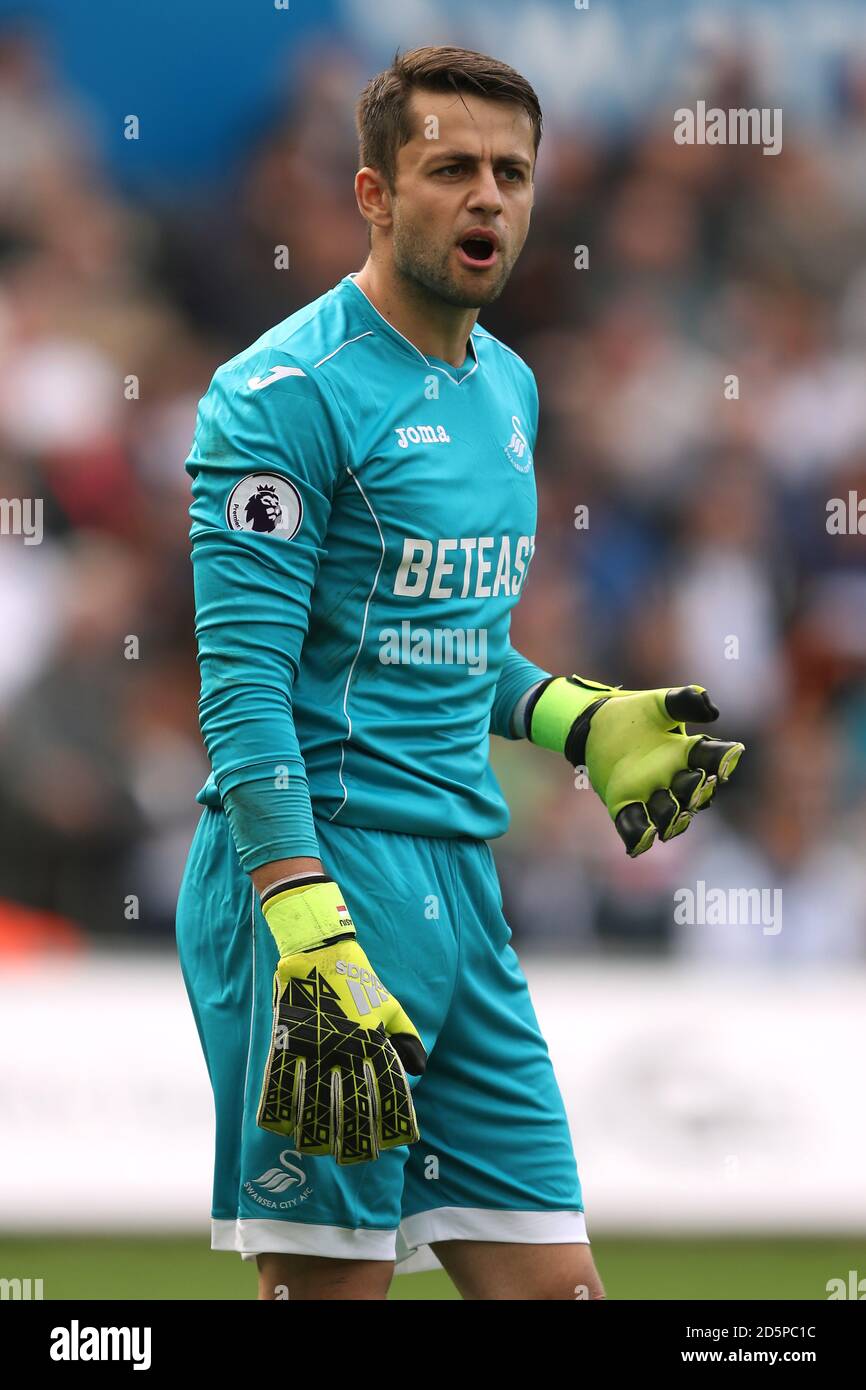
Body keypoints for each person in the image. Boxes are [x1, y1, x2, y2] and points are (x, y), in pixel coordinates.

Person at [175, 44, 743, 1301]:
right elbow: (242, 692)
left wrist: (574, 718)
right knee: (330, 1295)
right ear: (374, 194)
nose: (486, 197)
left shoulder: (511, 390)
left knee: (560, 1292)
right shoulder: (277, 395)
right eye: (449, 169)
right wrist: (299, 910)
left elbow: (449, 647)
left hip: (459, 888)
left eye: (510, 172)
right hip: (320, 882)